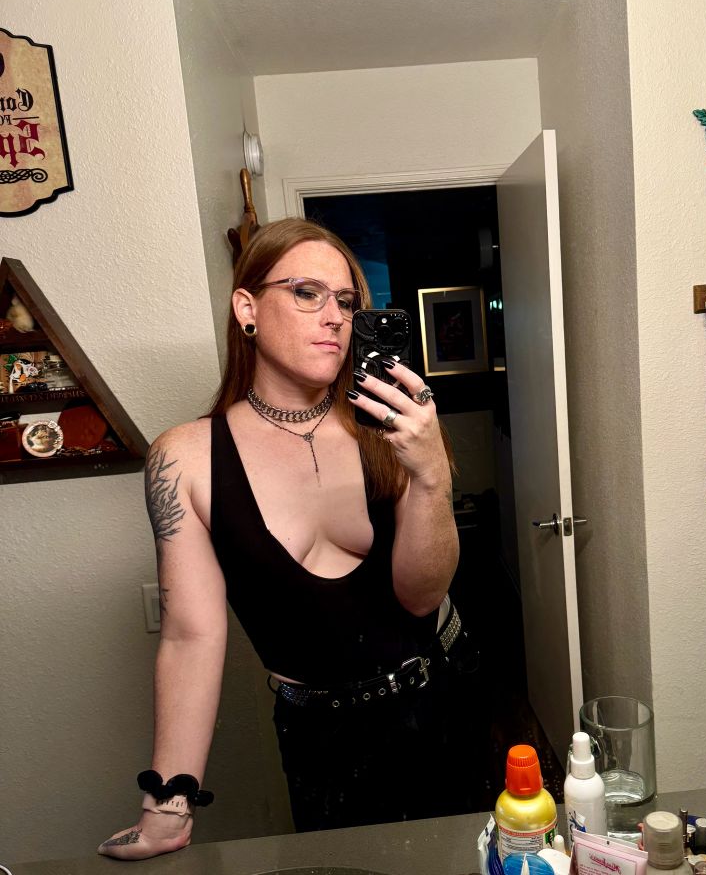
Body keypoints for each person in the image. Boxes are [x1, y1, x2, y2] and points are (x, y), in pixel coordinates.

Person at [98, 217, 482, 860]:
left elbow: (420, 595)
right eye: (307, 292)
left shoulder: (391, 427)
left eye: (346, 302)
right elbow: (191, 636)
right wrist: (166, 807)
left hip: (442, 691)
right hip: (319, 734)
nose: (334, 317)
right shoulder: (185, 459)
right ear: (247, 308)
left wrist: (432, 478)